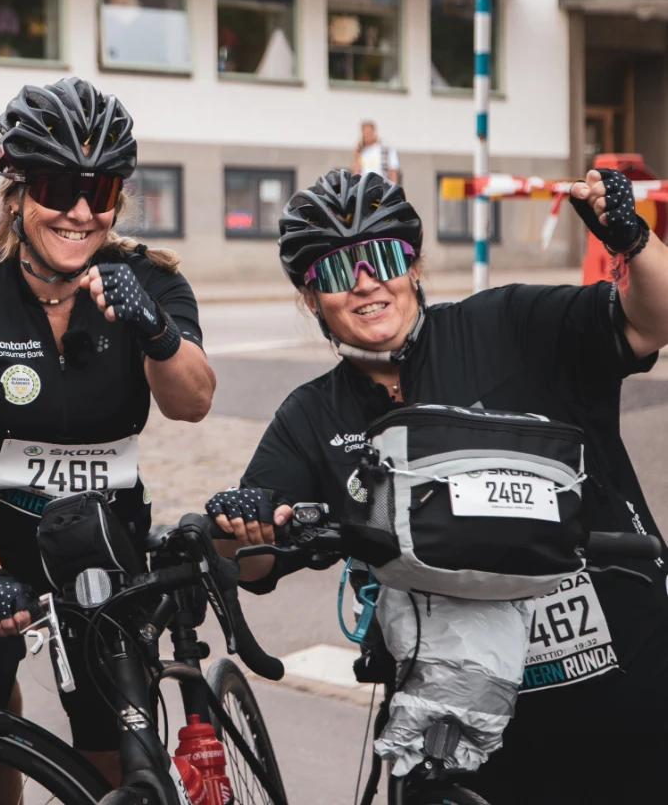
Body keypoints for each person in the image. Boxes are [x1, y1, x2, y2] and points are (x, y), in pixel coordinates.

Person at [209, 168, 668, 804]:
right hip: (461, 734)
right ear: (311, 299)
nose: (366, 282)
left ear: (413, 264)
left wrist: (632, 241)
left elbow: (651, 324)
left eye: (382, 257)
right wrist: (241, 528)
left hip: (625, 682)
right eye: (337, 272)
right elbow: (253, 562)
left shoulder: (509, 324)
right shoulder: (313, 416)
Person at [0, 77, 216, 784]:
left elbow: (195, 402)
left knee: (115, 764)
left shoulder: (150, 283)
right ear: (15, 194)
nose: (80, 211)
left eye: (101, 191)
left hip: (104, 545)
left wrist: (157, 332)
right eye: (56, 187)